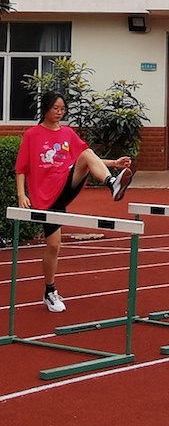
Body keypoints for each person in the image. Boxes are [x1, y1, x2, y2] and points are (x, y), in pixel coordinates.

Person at [13, 92, 134, 313]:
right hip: (44, 196)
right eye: (56, 108)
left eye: (62, 109)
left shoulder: (68, 133)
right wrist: (22, 195)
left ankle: (111, 183)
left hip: (65, 185)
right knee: (53, 246)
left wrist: (113, 163)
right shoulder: (32, 135)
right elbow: (21, 168)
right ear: (46, 108)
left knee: (86, 154)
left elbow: (86, 159)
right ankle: (49, 292)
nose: (60, 112)